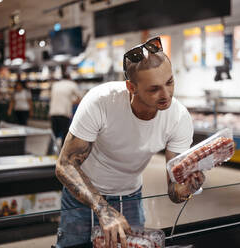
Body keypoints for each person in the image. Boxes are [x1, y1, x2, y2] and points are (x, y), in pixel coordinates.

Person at [55, 37, 205, 248]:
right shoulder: (101, 101)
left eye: (169, 82)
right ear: (131, 87)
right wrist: (103, 209)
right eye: (153, 89)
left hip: (130, 196)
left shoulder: (178, 117)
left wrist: (188, 187)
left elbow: (174, 192)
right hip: (83, 196)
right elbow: (65, 165)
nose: (166, 95)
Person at [49, 65, 81, 146]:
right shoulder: (72, 84)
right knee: (64, 134)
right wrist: (72, 102)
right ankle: (62, 154)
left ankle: (50, 152)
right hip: (64, 113)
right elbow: (80, 98)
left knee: (53, 134)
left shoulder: (55, 84)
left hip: (53, 112)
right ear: (70, 77)